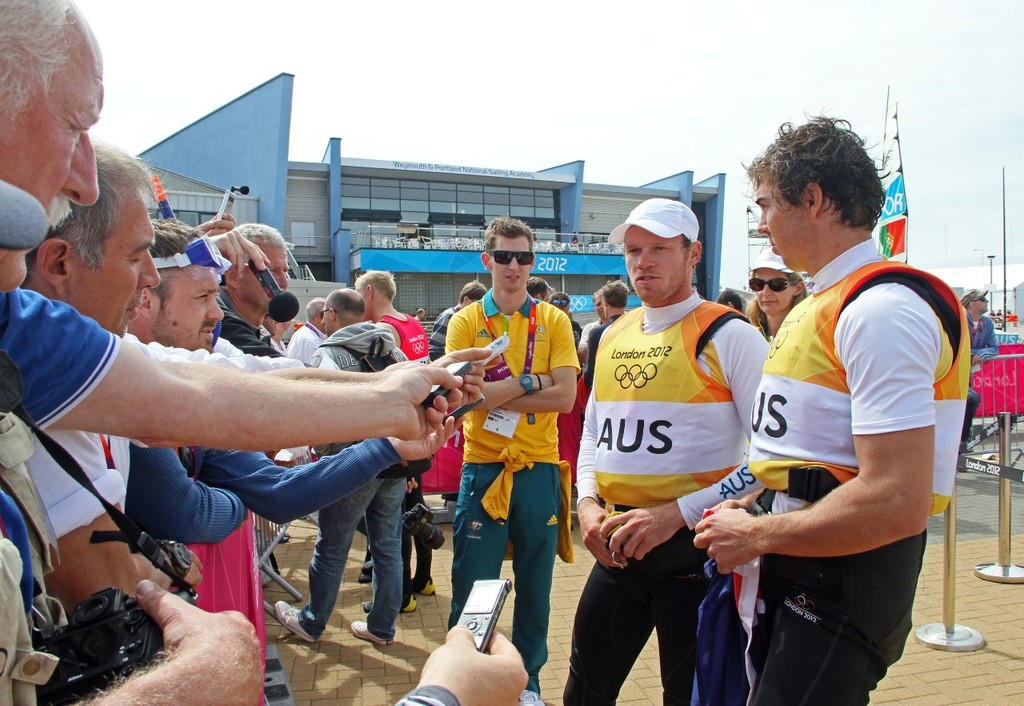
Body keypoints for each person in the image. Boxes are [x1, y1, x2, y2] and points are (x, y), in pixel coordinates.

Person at [694, 117, 969, 704]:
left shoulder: (880, 311)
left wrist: (760, 533)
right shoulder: (822, 298)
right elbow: (810, 444)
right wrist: (764, 497)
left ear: (813, 200)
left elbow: (897, 498)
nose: (760, 222)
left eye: (766, 205)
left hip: (841, 580)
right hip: (805, 559)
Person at [565, 199, 767, 705]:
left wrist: (675, 514)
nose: (643, 262)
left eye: (659, 248)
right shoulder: (612, 334)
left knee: (691, 697)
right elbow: (594, 433)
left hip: (695, 551)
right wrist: (586, 503)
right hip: (616, 544)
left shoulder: (732, 334)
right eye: (634, 250)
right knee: (584, 691)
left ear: (693, 253)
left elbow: (770, 458)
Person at [446, 216, 580, 705]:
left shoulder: (554, 319)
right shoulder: (465, 320)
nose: (514, 266)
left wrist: (502, 392)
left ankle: (528, 684)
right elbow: (468, 397)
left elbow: (566, 398)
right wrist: (533, 382)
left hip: (540, 468)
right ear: (488, 260)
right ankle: (465, 678)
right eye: (504, 256)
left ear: (533, 261)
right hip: (484, 467)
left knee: (536, 589)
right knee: (472, 586)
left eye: (523, 256)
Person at [274, 286, 422, 646]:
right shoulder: (393, 348)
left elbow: (312, 410)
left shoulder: (329, 355)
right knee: (387, 545)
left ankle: (312, 622)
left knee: (331, 544)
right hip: (395, 459)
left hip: (351, 462)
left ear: (331, 315)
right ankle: (382, 627)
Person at [217, 222, 292, 357]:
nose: (284, 283)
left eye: (285, 271)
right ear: (234, 276)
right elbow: (276, 367)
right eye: (272, 272)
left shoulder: (260, 328)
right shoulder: (220, 322)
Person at [356, 270, 430, 363]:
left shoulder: (381, 330)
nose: (356, 303)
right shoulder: (414, 322)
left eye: (358, 296)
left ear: (369, 291)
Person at [746, 248, 807, 341]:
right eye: (758, 284)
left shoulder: (811, 336)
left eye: (776, 284)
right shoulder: (748, 338)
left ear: (798, 288)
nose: (765, 293)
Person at [961, 289, 995, 446]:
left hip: (969, 372)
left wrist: (980, 354)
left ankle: (962, 444)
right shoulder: (959, 319)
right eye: (983, 299)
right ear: (973, 303)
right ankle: (962, 442)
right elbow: (957, 346)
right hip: (956, 370)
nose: (986, 302)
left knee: (968, 402)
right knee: (970, 400)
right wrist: (972, 355)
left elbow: (994, 348)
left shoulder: (987, 323)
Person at [581, 280, 629, 391]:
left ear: (605, 302)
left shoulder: (597, 333)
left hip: (606, 391)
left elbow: (590, 375)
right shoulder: (638, 325)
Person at [430, 281, 487, 361]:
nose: (479, 308)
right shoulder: (448, 316)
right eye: (476, 304)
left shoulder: (474, 319)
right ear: (466, 299)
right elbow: (435, 349)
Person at [285, 296, 326, 363]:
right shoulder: (312, 343)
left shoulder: (304, 332)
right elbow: (316, 372)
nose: (332, 317)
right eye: (328, 313)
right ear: (319, 317)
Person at [577, 290, 608, 364]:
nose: (602, 307)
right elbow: (581, 357)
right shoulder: (589, 328)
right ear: (595, 307)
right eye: (598, 304)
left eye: (605, 303)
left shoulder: (627, 323)